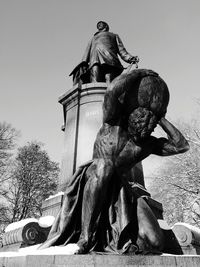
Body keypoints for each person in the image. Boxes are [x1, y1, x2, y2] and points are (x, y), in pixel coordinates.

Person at [40, 69, 189, 254]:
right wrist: (137, 73)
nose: (144, 130)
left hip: (121, 190)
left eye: (150, 128)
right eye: (141, 123)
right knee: (105, 166)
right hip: (94, 176)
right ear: (132, 117)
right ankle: (86, 237)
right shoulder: (113, 122)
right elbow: (112, 92)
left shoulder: (147, 144)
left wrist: (160, 118)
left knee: (156, 242)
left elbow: (181, 146)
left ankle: (122, 238)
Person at [70, 21, 139, 85]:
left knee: (110, 82)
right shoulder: (93, 38)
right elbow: (87, 51)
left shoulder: (114, 36)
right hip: (95, 60)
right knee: (95, 82)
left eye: (101, 24)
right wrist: (83, 63)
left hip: (110, 60)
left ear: (106, 26)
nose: (99, 25)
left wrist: (130, 58)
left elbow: (122, 50)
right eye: (98, 25)